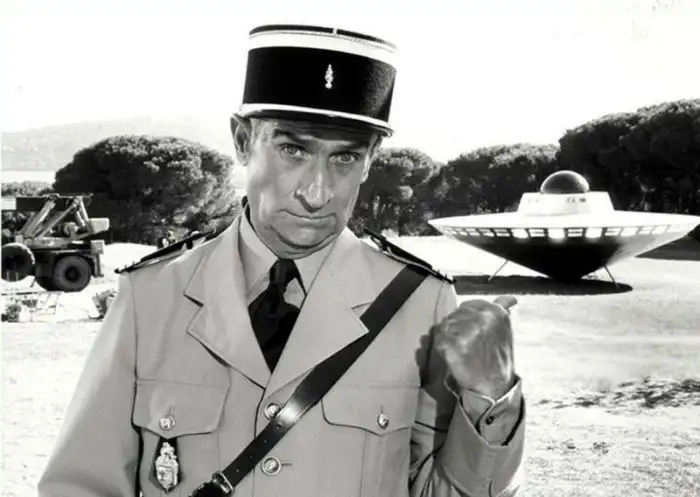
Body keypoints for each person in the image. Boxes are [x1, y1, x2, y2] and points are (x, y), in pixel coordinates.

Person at [38, 24, 525, 497]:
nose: (317, 192)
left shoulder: (418, 303)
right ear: (242, 140)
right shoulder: (153, 296)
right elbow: (81, 485)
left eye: (345, 158)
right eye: (293, 149)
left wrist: (491, 399)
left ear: (371, 160)